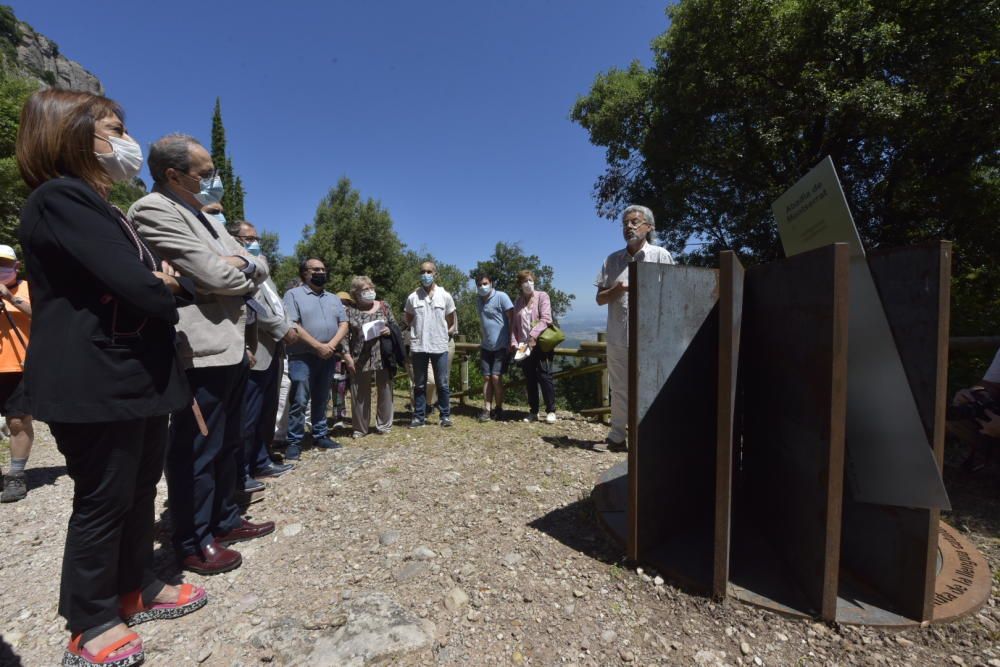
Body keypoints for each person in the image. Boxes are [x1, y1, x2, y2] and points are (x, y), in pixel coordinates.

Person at [17, 89, 206, 667]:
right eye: (115, 130)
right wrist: (162, 283)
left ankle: (137, 585)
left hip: (135, 374)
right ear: (71, 132)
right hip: (97, 378)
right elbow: (143, 283)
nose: (126, 142)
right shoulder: (61, 198)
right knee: (103, 497)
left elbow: (162, 281)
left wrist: (164, 283)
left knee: (141, 486)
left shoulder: (103, 206)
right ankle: (91, 618)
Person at [131, 133, 275, 576]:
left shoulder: (205, 216)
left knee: (229, 441)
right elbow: (218, 276)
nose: (214, 179)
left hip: (231, 346)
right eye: (206, 172)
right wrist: (231, 270)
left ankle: (224, 518)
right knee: (198, 446)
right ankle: (192, 538)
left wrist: (238, 265)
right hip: (199, 349)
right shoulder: (154, 210)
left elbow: (256, 264)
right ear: (174, 175)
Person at [595, 204, 675, 451]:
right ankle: (617, 438)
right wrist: (617, 289)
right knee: (619, 388)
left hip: (651, 339)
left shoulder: (661, 256)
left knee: (651, 388)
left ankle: (650, 441)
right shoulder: (612, 260)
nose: (628, 227)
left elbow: (672, 294)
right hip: (618, 337)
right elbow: (600, 299)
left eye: (634, 222)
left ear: (649, 227)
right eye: (625, 223)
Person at [234, 222, 297, 482]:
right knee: (249, 414)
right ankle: (241, 470)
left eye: (257, 238)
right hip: (256, 347)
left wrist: (289, 325)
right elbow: (252, 306)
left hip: (274, 350)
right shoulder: (239, 270)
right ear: (235, 239)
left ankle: (261, 460)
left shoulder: (264, 272)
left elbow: (278, 306)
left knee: (266, 411)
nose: (255, 243)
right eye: (249, 238)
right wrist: (282, 328)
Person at [282, 258, 349, 458]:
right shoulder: (293, 295)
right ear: (305, 273)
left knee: (322, 397)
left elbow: (344, 324)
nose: (321, 272)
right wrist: (318, 346)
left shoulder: (333, 298)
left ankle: (320, 434)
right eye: (316, 269)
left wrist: (330, 346)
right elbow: (293, 324)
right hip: (302, 355)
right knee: (300, 399)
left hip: (328, 355)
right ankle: (295, 441)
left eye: (323, 269)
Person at [343, 276, 400, 438]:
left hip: (383, 354)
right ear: (355, 293)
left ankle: (384, 425)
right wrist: (346, 355)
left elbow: (395, 326)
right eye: (365, 289)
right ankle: (360, 428)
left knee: (385, 389)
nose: (370, 291)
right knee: (359, 392)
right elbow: (344, 336)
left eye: (371, 288)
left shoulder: (384, 306)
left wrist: (389, 330)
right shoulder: (349, 311)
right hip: (359, 356)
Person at [0, 244, 34, 502]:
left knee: (17, 421)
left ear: (16, 266)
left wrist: (11, 299)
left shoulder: (29, 289)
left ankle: (16, 475)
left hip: (20, 366)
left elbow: (44, 315)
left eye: (3, 264)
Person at [404, 261, 456, 427]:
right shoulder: (413, 297)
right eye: (422, 272)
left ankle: (445, 416)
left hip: (439, 346)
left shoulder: (445, 296)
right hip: (419, 345)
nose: (425, 275)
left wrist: (442, 333)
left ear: (435, 274)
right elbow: (408, 319)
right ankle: (419, 417)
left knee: (442, 383)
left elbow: (451, 320)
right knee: (419, 384)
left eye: (429, 271)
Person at [510, 270, 557, 424]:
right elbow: (514, 326)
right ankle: (534, 411)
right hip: (524, 346)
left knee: (545, 376)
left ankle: (551, 411)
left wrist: (533, 336)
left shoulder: (542, 296)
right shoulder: (518, 301)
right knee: (530, 379)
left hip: (540, 344)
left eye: (530, 280)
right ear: (520, 284)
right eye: (525, 281)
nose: (528, 283)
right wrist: (514, 343)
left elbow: (546, 319)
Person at [475, 272, 513, 422]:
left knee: (496, 377)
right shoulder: (478, 300)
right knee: (486, 377)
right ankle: (487, 409)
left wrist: (511, 340)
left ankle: (499, 408)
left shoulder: (502, 297)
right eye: (479, 284)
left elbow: (512, 318)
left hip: (501, 345)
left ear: (491, 283)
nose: (482, 287)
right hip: (486, 346)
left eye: (485, 283)